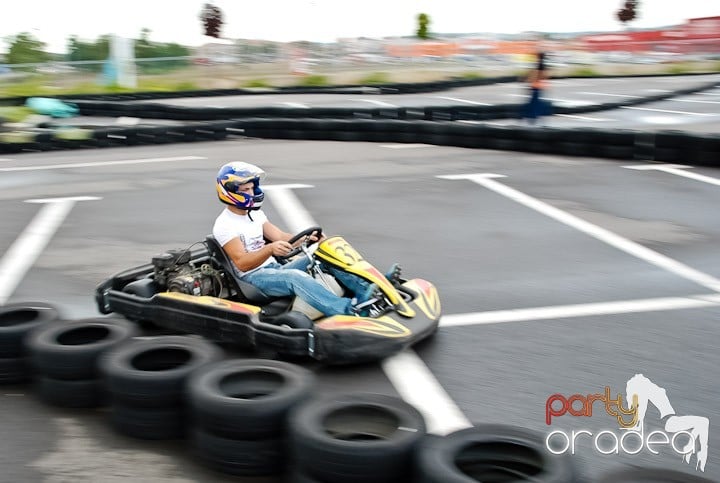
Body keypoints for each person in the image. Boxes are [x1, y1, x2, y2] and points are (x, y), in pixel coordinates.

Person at [211, 161, 382, 317]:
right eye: (245, 190)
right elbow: (242, 263)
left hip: (274, 268)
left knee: (322, 253)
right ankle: (349, 310)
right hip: (252, 278)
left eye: (251, 188)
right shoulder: (224, 224)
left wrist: (308, 238)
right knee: (295, 277)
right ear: (229, 192)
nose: (251, 193)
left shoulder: (255, 214)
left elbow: (280, 236)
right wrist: (270, 249)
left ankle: (368, 290)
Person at [522, 51, 552, 125]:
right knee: (536, 102)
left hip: (536, 86)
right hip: (539, 86)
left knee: (534, 103)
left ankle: (533, 117)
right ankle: (535, 116)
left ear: (538, 56)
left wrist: (529, 81)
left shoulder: (539, 64)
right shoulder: (542, 64)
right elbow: (545, 76)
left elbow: (536, 75)